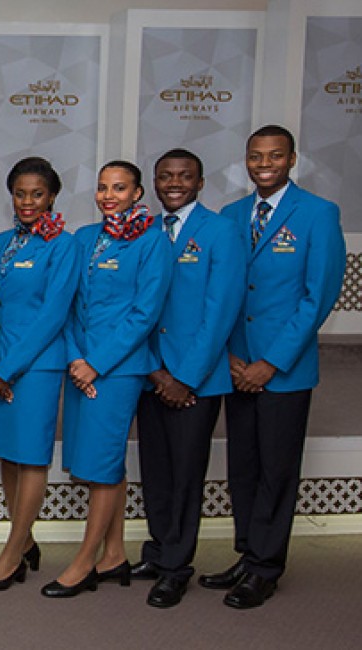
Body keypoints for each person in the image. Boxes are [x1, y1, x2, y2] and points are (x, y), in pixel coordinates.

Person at [200, 125, 345, 609]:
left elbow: (317, 297)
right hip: (236, 365)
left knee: (276, 470)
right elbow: (220, 290)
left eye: (275, 156)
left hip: (283, 371)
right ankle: (247, 553)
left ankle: (266, 568)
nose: (265, 164)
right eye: (256, 156)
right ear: (246, 159)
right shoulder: (232, 214)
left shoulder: (319, 214)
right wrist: (232, 358)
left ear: (292, 159)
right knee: (243, 467)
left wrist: (270, 362)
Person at [45, 161, 171, 598]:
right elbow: (69, 304)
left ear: (138, 194)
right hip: (80, 364)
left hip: (117, 370)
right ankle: (114, 552)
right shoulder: (83, 238)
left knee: (101, 465)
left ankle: (85, 561)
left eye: (119, 188)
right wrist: (77, 357)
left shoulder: (153, 242)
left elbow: (145, 313)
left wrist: (96, 363)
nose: (109, 195)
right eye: (102, 187)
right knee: (100, 463)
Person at [128, 149, 247, 608]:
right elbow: (139, 307)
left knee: (184, 476)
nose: (173, 183)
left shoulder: (221, 231)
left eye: (184, 177)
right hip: (151, 373)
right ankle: (158, 552)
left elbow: (221, 311)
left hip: (196, 381)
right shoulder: (145, 231)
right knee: (155, 471)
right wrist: (156, 371)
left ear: (200, 182)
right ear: (153, 184)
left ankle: (177, 566)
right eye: (165, 176)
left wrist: (185, 378)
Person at [0, 157, 78, 591]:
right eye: (20, 194)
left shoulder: (64, 245)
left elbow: (54, 313)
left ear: (51, 196)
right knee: (6, 453)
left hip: (35, 367)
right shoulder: (0, 242)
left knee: (32, 456)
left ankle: (11, 553)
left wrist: (9, 367)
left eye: (36, 194)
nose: (27, 202)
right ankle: (28, 540)